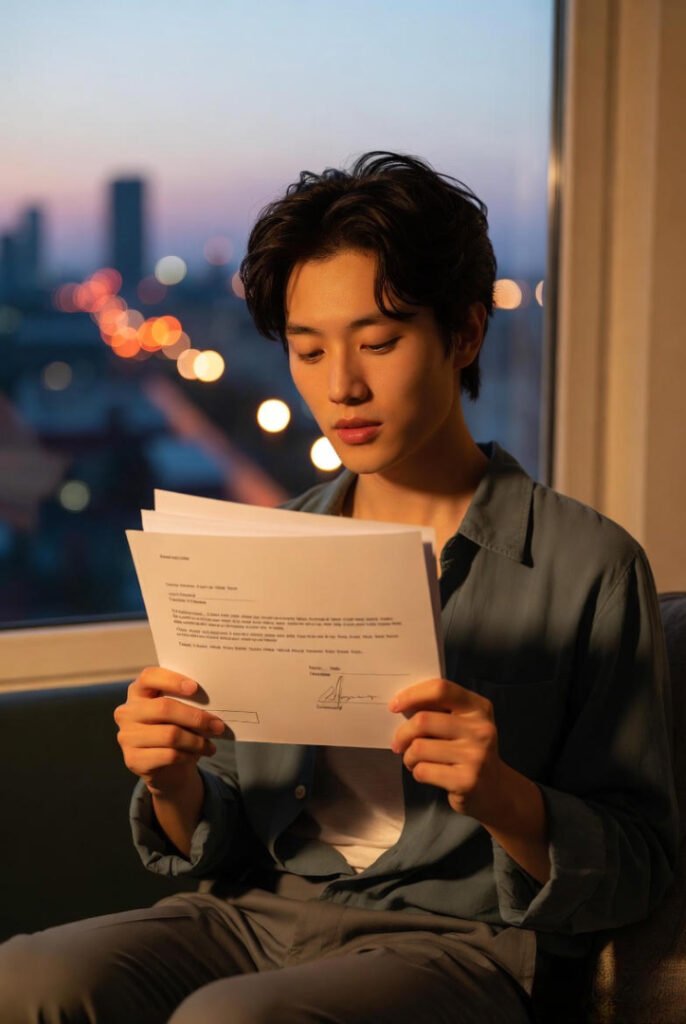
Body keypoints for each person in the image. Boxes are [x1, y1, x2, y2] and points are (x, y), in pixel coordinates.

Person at [0, 152, 678, 1024]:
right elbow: (226, 830)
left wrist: (506, 796)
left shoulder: (589, 565)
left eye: (380, 342)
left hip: (459, 944)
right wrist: (172, 780)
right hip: (255, 915)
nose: (340, 386)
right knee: (26, 979)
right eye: (308, 350)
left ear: (465, 334)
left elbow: (643, 865)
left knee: (229, 1020)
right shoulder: (274, 545)